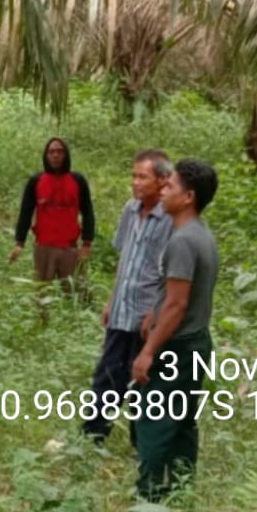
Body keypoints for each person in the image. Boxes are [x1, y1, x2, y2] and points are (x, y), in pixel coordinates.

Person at [131, 158, 220, 501]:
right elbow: (176, 295)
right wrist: (154, 310)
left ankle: (149, 495)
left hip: (177, 348)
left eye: (170, 187)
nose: (163, 190)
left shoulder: (182, 242)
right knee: (182, 422)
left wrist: (149, 350)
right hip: (197, 342)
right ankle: (181, 490)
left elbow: (177, 304)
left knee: (153, 421)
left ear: (188, 197)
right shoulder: (202, 235)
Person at [83, 149, 173, 444]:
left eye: (142, 177)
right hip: (122, 308)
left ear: (162, 180)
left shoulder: (170, 219)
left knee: (142, 383)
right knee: (107, 374)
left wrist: (155, 313)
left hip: (147, 315)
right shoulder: (130, 209)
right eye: (133, 176)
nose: (135, 183)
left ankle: (141, 443)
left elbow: (171, 274)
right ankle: (93, 434)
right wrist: (111, 299)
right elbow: (125, 260)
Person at [9, 137, 96, 286]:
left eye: (60, 152)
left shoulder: (78, 180)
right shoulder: (36, 181)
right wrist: (19, 242)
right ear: (46, 155)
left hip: (70, 249)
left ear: (66, 155)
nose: (55, 155)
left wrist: (87, 243)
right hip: (43, 248)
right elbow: (26, 212)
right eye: (51, 152)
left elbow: (88, 212)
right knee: (42, 298)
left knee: (79, 295)